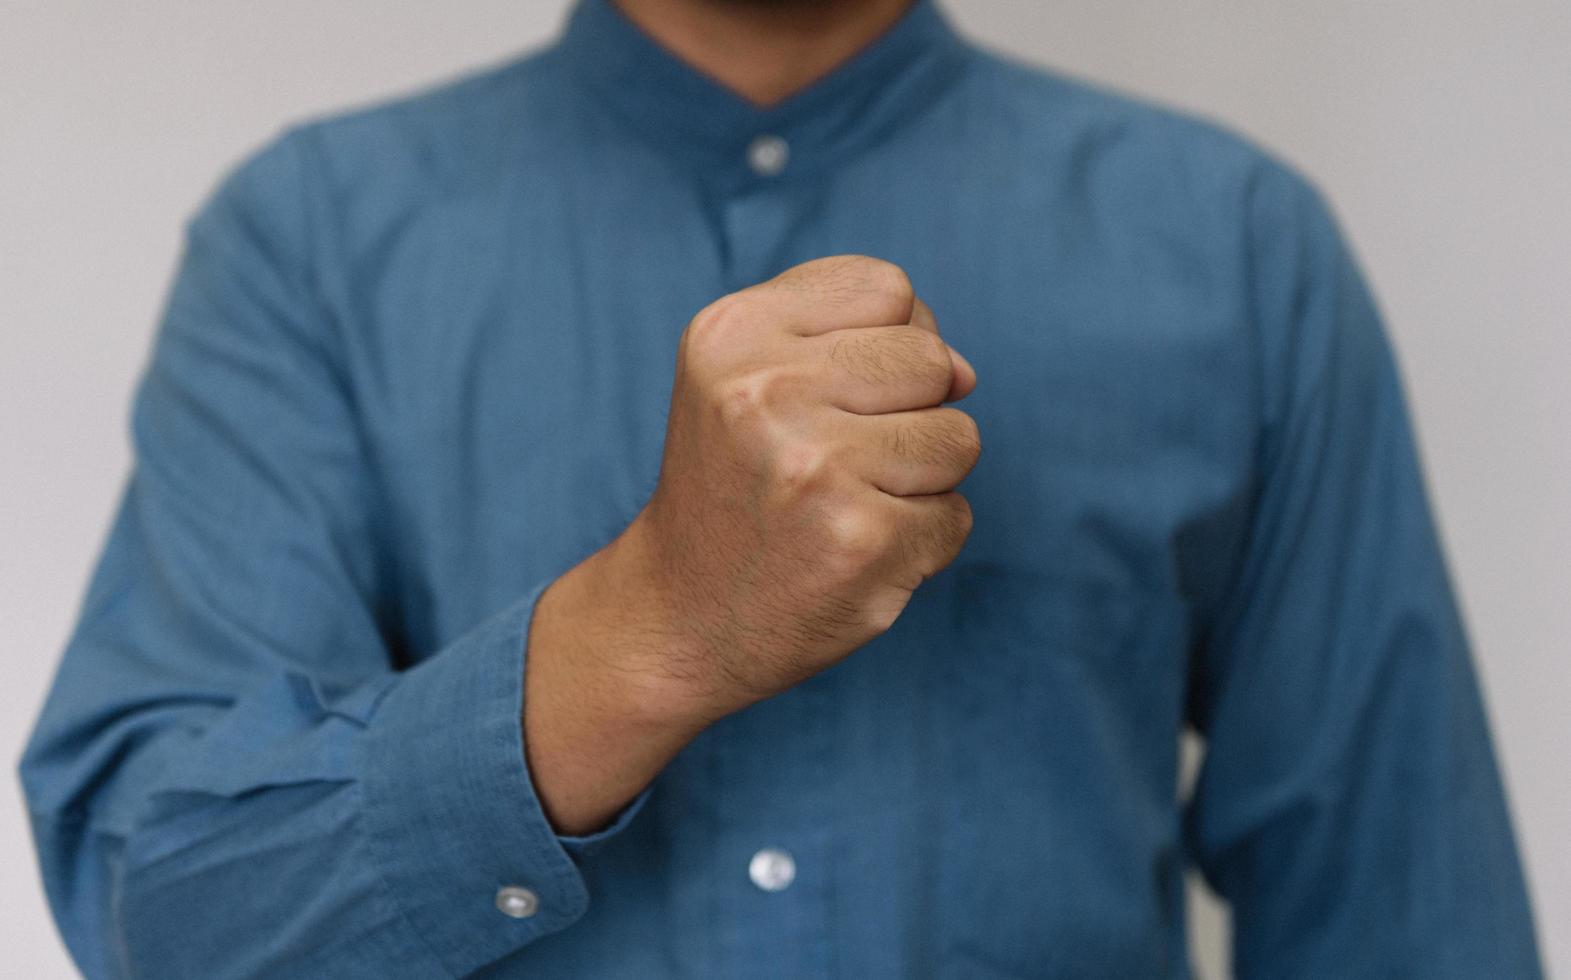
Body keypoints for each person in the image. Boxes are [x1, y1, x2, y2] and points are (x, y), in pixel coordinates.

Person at [18, 0, 1542, 976]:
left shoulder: (1237, 246)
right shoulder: (309, 242)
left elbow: (1404, 924)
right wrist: (649, 628)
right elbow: (161, 905)